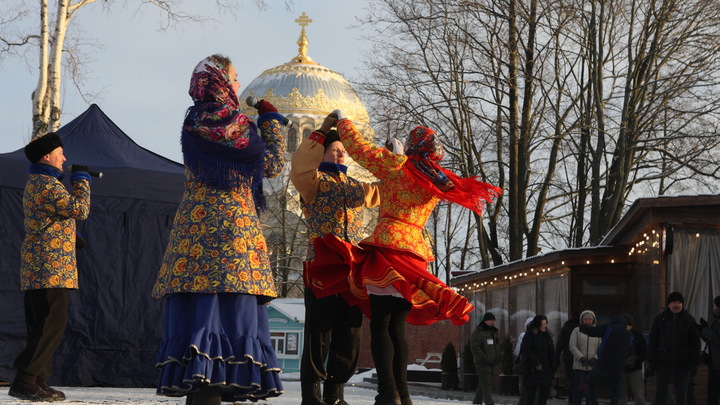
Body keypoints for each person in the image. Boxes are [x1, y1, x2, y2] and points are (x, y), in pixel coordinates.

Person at [308, 111, 500, 405]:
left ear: (410, 147)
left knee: (381, 325)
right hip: (416, 254)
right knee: (398, 328)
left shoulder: (398, 167)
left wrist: (343, 121)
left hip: (388, 251)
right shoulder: (436, 179)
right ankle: (403, 394)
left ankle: (388, 392)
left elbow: (359, 149)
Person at [151, 55, 285, 404]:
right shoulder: (231, 121)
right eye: (236, 78)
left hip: (194, 234)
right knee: (230, 321)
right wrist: (270, 122)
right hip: (231, 236)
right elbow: (271, 164)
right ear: (221, 81)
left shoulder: (193, 120)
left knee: (203, 321)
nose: (239, 86)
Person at [290, 117, 380, 405]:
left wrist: (398, 161)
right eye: (334, 150)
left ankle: (336, 392)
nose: (341, 154)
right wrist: (322, 130)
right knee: (319, 332)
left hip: (352, 270)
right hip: (321, 265)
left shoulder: (357, 188)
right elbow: (301, 165)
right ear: (322, 154)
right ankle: (312, 395)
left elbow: (391, 189)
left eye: (343, 150)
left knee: (350, 332)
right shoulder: (313, 182)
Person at [8, 132, 91, 401]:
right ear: (47, 156)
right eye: (60, 153)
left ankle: (38, 380)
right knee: (50, 326)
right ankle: (25, 379)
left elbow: (47, 221)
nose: (64, 158)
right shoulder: (48, 185)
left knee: (42, 325)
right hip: (51, 268)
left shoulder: (37, 183)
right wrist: (82, 182)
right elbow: (80, 209)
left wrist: (70, 237)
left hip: (39, 267)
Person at [647, 291, 701, 405]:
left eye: (679, 302)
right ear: (668, 304)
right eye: (674, 302)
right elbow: (653, 341)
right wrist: (651, 360)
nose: (677, 305)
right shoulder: (660, 319)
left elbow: (696, 343)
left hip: (683, 363)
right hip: (662, 362)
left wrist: (694, 362)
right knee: (660, 393)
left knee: (682, 394)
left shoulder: (689, 320)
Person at [579, 316, 633, 405]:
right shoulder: (629, 335)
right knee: (616, 391)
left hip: (604, 362)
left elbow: (593, 331)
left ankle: (593, 402)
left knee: (590, 381)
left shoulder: (609, 328)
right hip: (619, 366)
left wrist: (582, 326)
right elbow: (630, 353)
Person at [520, 315, 556, 405]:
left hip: (546, 369)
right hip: (532, 369)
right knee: (531, 396)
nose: (545, 326)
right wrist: (536, 361)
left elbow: (551, 351)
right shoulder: (530, 334)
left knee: (544, 395)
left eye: (546, 324)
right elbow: (525, 349)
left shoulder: (547, 335)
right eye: (543, 324)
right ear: (538, 324)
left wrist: (554, 365)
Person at [568, 310, 600, 405]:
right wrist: (581, 358)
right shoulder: (576, 330)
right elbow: (572, 346)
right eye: (585, 319)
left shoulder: (597, 330)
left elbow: (601, 347)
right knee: (579, 389)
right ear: (582, 320)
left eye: (590, 319)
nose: (588, 321)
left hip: (592, 367)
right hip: (579, 366)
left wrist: (595, 358)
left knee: (591, 391)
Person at [470, 312, 501, 405]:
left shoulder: (493, 332)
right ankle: (489, 402)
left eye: (494, 320)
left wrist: (498, 356)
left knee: (483, 382)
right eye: (491, 320)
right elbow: (475, 347)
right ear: (485, 321)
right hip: (482, 362)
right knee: (486, 383)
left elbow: (496, 346)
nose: (493, 322)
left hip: (491, 362)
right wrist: (483, 357)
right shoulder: (478, 332)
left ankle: (477, 401)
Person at [619, 314, 646, 405]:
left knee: (639, 394)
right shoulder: (618, 334)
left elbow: (644, 351)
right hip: (621, 368)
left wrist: (636, 360)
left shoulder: (638, 335)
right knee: (621, 394)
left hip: (635, 369)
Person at [699, 295, 720, 405]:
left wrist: (704, 329)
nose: (713, 308)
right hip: (714, 364)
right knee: (711, 394)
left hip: (717, 365)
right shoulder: (717, 321)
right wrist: (702, 330)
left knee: (713, 394)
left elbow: (717, 338)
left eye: (715, 305)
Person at [556, 311, 580, 404]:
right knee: (580, 381)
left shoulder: (566, 328)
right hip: (580, 359)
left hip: (568, 358)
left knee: (572, 381)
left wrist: (556, 358)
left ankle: (572, 401)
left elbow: (559, 345)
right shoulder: (582, 328)